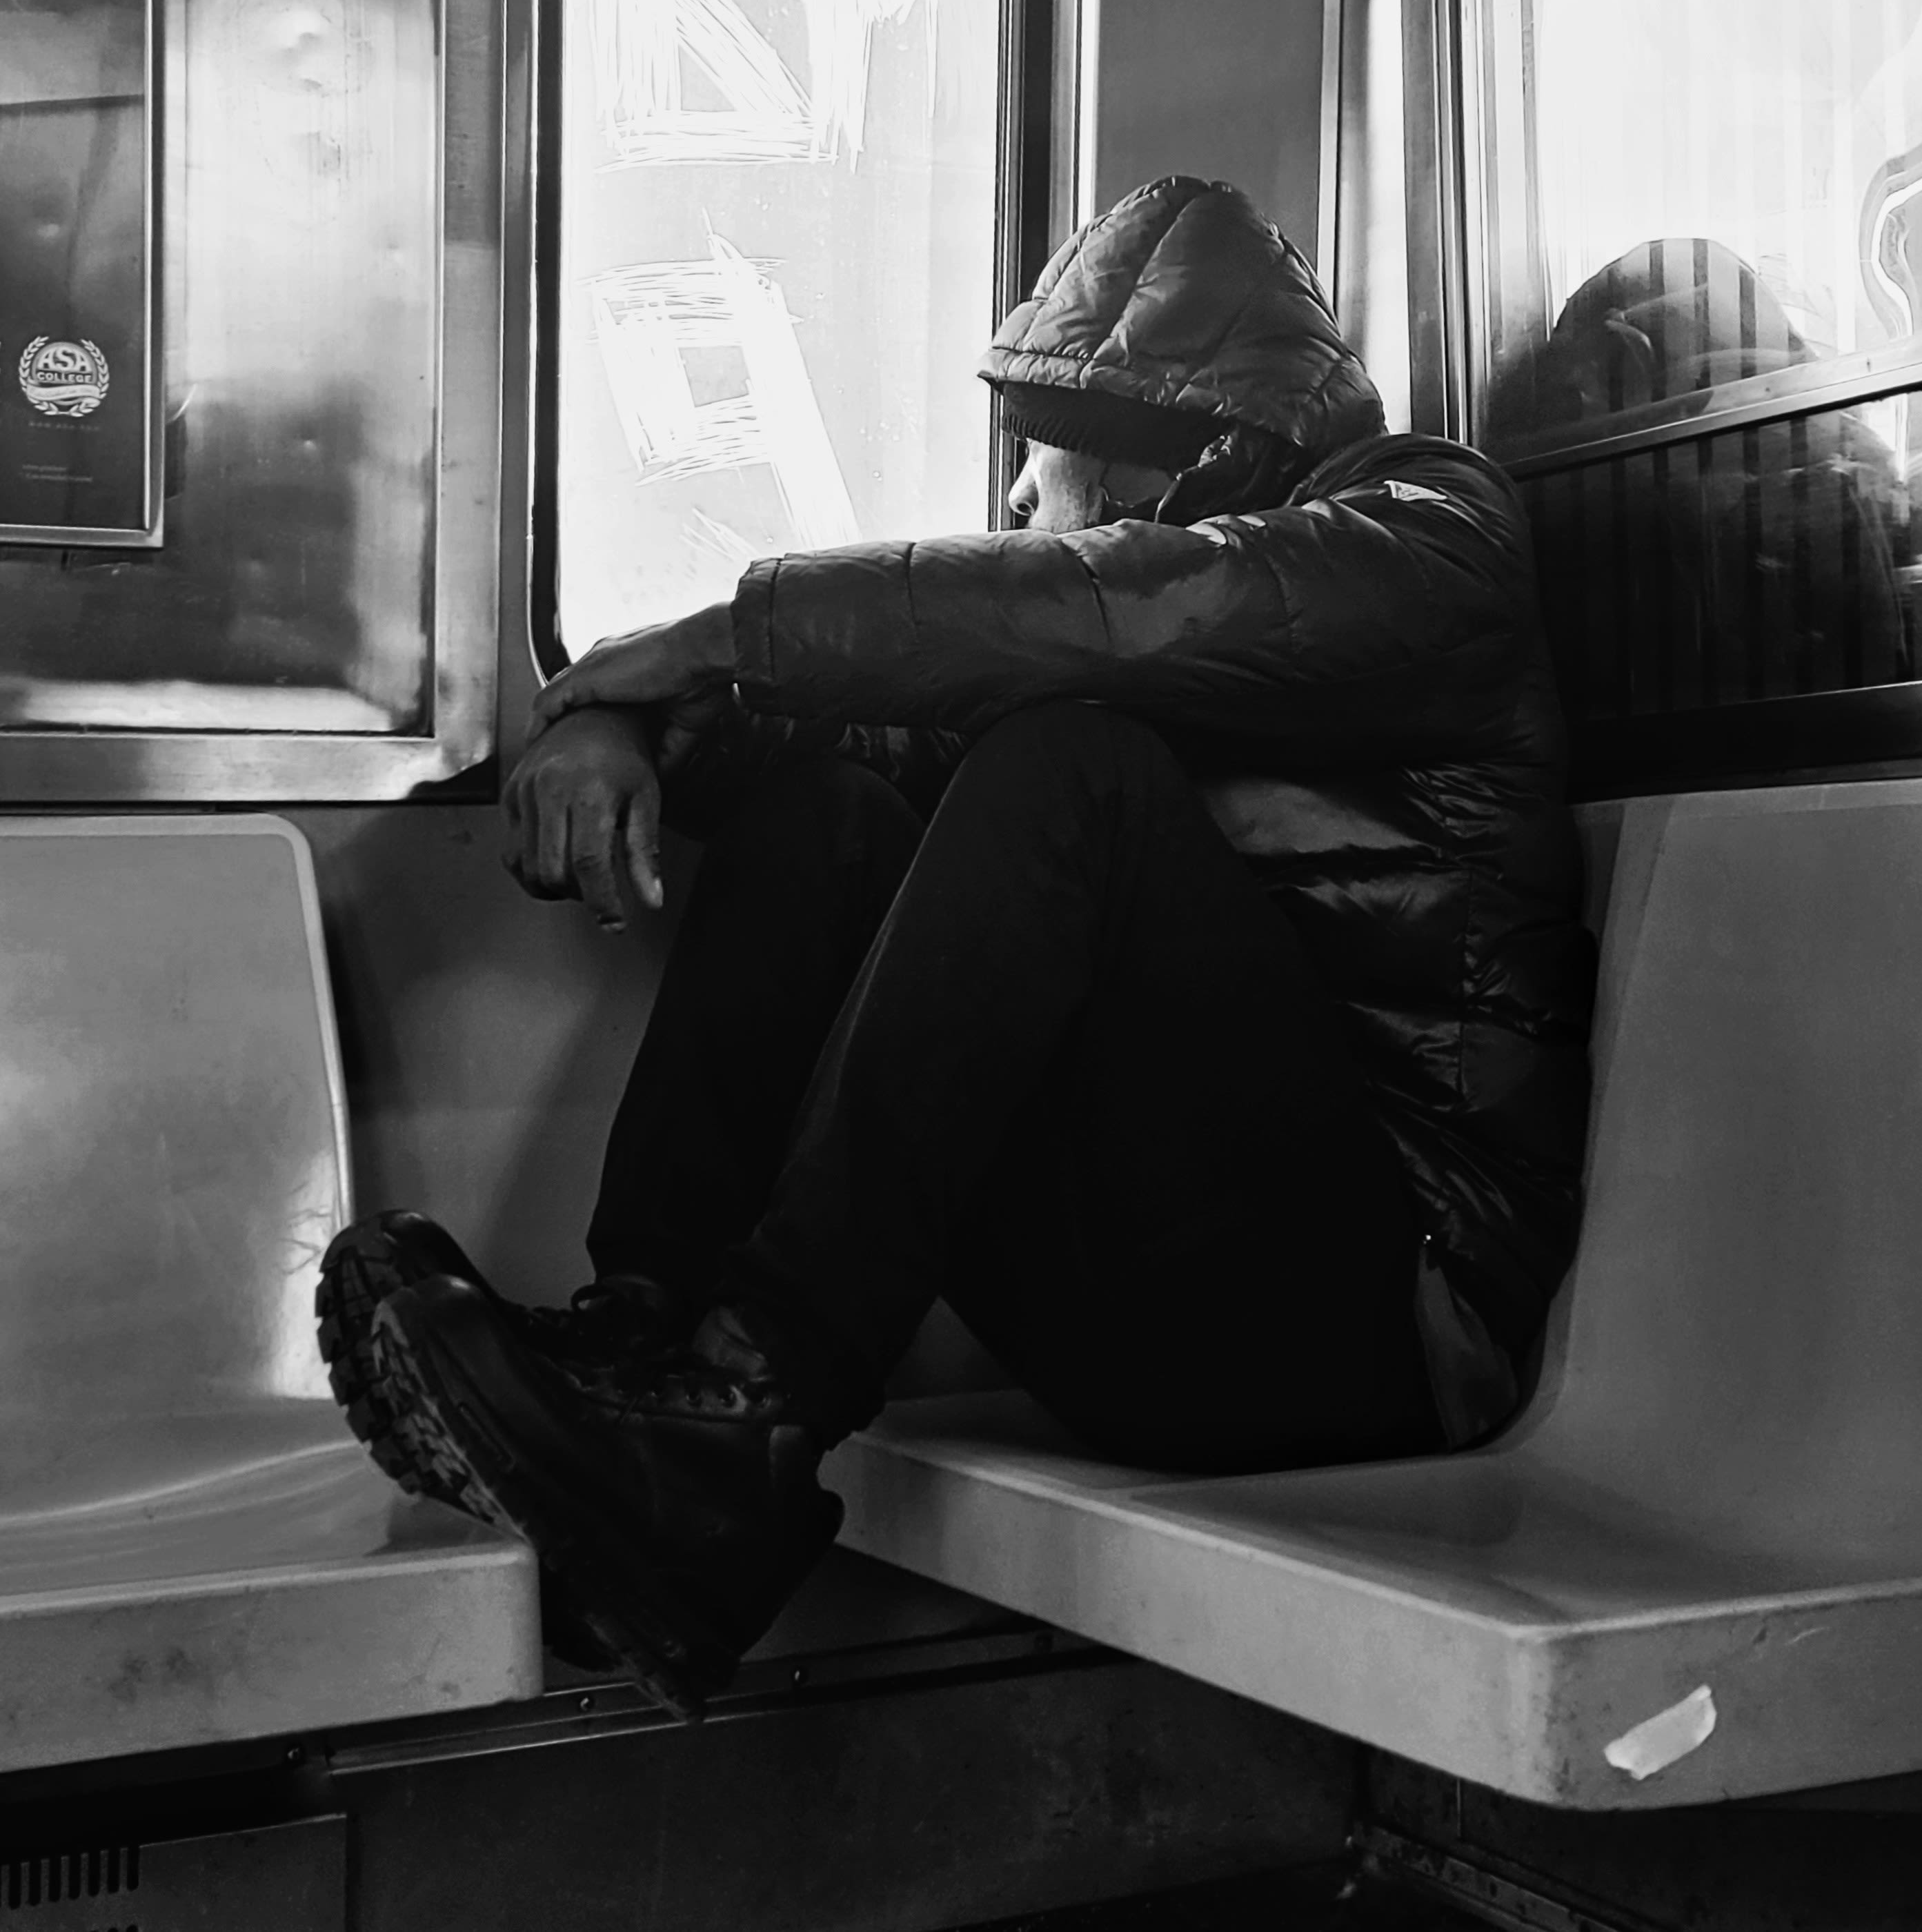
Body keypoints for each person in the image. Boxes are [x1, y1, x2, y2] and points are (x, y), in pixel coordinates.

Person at [318, 175, 1594, 1719]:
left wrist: (724, 627)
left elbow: (1140, 607)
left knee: (1073, 769)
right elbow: (872, 706)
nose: (1008, 501)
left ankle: (750, 1416)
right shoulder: (1129, 614)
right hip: (1153, 1293)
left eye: (1036, 456)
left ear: (1179, 449)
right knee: (834, 810)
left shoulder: (1431, 532)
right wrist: (626, 715)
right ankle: (650, 1357)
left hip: (1381, 1323)